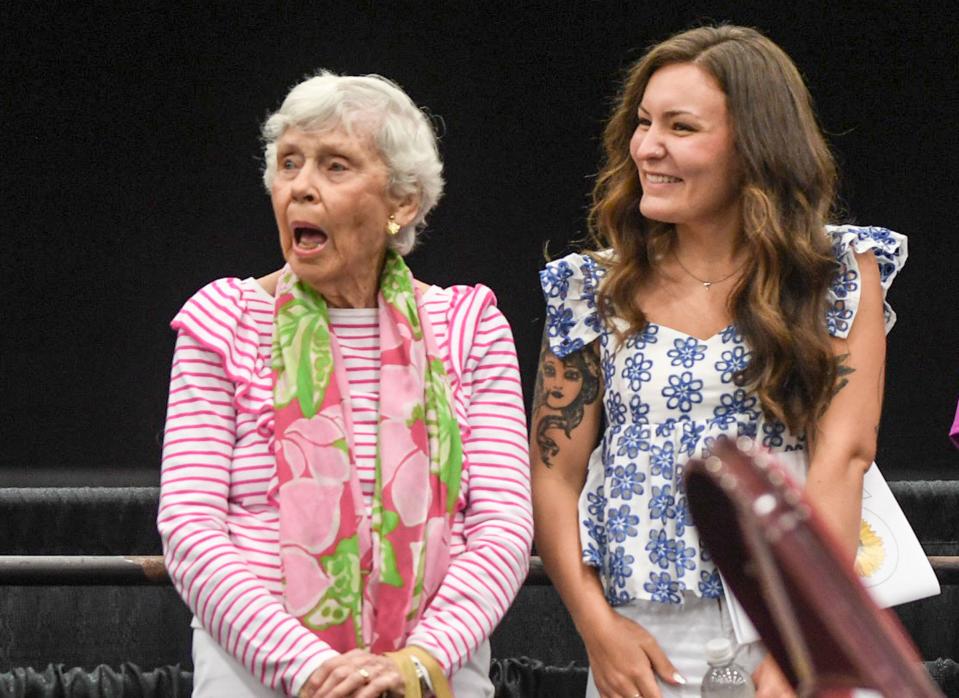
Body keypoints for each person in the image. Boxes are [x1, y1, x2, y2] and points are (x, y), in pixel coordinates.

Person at [531, 25, 907, 698]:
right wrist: (595, 627)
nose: (647, 147)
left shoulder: (835, 273)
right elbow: (553, 473)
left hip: (792, 622)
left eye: (680, 126)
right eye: (642, 123)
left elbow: (842, 456)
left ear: (754, 147)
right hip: (642, 640)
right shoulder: (590, 287)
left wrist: (797, 644)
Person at [158, 72, 532, 698]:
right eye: (289, 164)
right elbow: (190, 526)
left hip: (432, 672)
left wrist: (415, 663)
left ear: (402, 203)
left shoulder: (471, 325)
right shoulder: (221, 319)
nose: (301, 186)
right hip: (258, 674)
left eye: (335, 166)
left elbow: (503, 528)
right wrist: (309, 670)